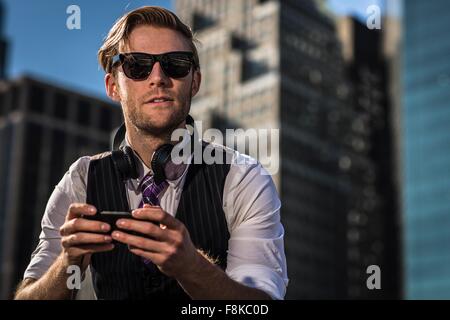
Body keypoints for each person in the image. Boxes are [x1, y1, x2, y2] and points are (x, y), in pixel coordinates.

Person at [14, 6, 288, 300]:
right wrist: (66, 263)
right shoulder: (82, 179)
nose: (158, 77)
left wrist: (191, 267)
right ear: (113, 86)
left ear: (194, 82)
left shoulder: (243, 178)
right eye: (137, 65)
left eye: (176, 64)